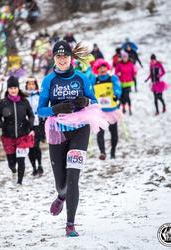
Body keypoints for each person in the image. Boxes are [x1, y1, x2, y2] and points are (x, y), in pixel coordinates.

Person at [37, 40, 100, 237]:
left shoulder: (81, 78)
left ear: (71, 58)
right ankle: (61, 195)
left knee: (74, 177)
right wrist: (54, 109)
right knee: (61, 183)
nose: (62, 59)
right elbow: (40, 110)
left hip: (80, 129)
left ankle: (70, 224)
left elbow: (96, 103)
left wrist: (87, 101)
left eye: (65, 56)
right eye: (58, 56)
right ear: (54, 58)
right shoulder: (49, 81)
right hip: (58, 130)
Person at [0, 76, 35, 185]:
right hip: (8, 136)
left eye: (15, 88)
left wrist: (30, 123)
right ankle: (13, 170)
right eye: (11, 88)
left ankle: (19, 182)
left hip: (23, 135)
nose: (13, 90)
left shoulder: (24, 102)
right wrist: (1, 124)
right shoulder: (3, 102)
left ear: (18, 88)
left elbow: (31, 115)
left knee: (21, 159)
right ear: (8, 89)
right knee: (11, 162)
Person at [91, 59, 122, 160]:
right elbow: (90, 91)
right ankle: (102, 152)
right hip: (100, 111)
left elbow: (118, 88)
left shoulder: (112, 78)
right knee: (100, 133)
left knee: (114, 134)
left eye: (104, 67)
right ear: (97, 70)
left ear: (107, 68)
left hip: (112, 110)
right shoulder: (94, 80)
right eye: (100, 68)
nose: (102, 69)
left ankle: (113, 151)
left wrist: (116, 95)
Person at [25, 76, 44, 176]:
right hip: (26, 124)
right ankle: (34, 168)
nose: (31, 86)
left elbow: (43, 108)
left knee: (36, 146)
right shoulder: (23, 97)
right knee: (29, 147)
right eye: (29, 84)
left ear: (35, 85)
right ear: (26, 85)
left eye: (33, 84)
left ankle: (40, 165)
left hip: (37, 123)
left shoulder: (39, 95)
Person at [115, 50, 136, 115]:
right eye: (123, 57)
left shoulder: (131, 64)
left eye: (126, 57)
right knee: (122, 96)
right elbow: (116, 72)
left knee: (127, 96)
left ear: (128, 57)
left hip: (128, 83)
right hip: (121, 83)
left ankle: (129, 109)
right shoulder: (119, 64)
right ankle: (123, 108)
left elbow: (134, 72)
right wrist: (118, 74)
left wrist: (132, 76)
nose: (124, 58)